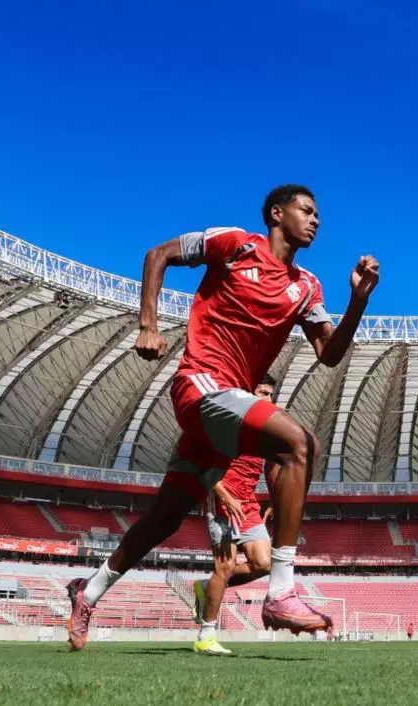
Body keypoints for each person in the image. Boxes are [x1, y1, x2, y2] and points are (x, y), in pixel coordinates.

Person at [65, 185, 379, 650]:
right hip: (201, 384)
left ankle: (87, 593)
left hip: (225, 414)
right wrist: (148, 324)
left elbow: (329, 353)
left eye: (318, 215)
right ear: (278, 213)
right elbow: (158, 255)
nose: (316, 220)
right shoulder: (235, 244)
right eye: (307, 211)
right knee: (300, 443)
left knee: (164, 520)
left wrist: (357, 303)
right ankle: (281, 590)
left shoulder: (306, 287)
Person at [192, 375, 279, 656]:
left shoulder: (266, 431)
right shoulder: (227, 423)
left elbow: (271, 468)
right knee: (225, 568)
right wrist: (224, 495)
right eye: (263, 393)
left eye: (271, 394)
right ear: (248, 394)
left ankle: (206, 587)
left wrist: (275, 501)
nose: (269, 399)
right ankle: (206, 636)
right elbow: (203, 466)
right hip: (222, 501)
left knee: (264, 563)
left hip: (248, 505)